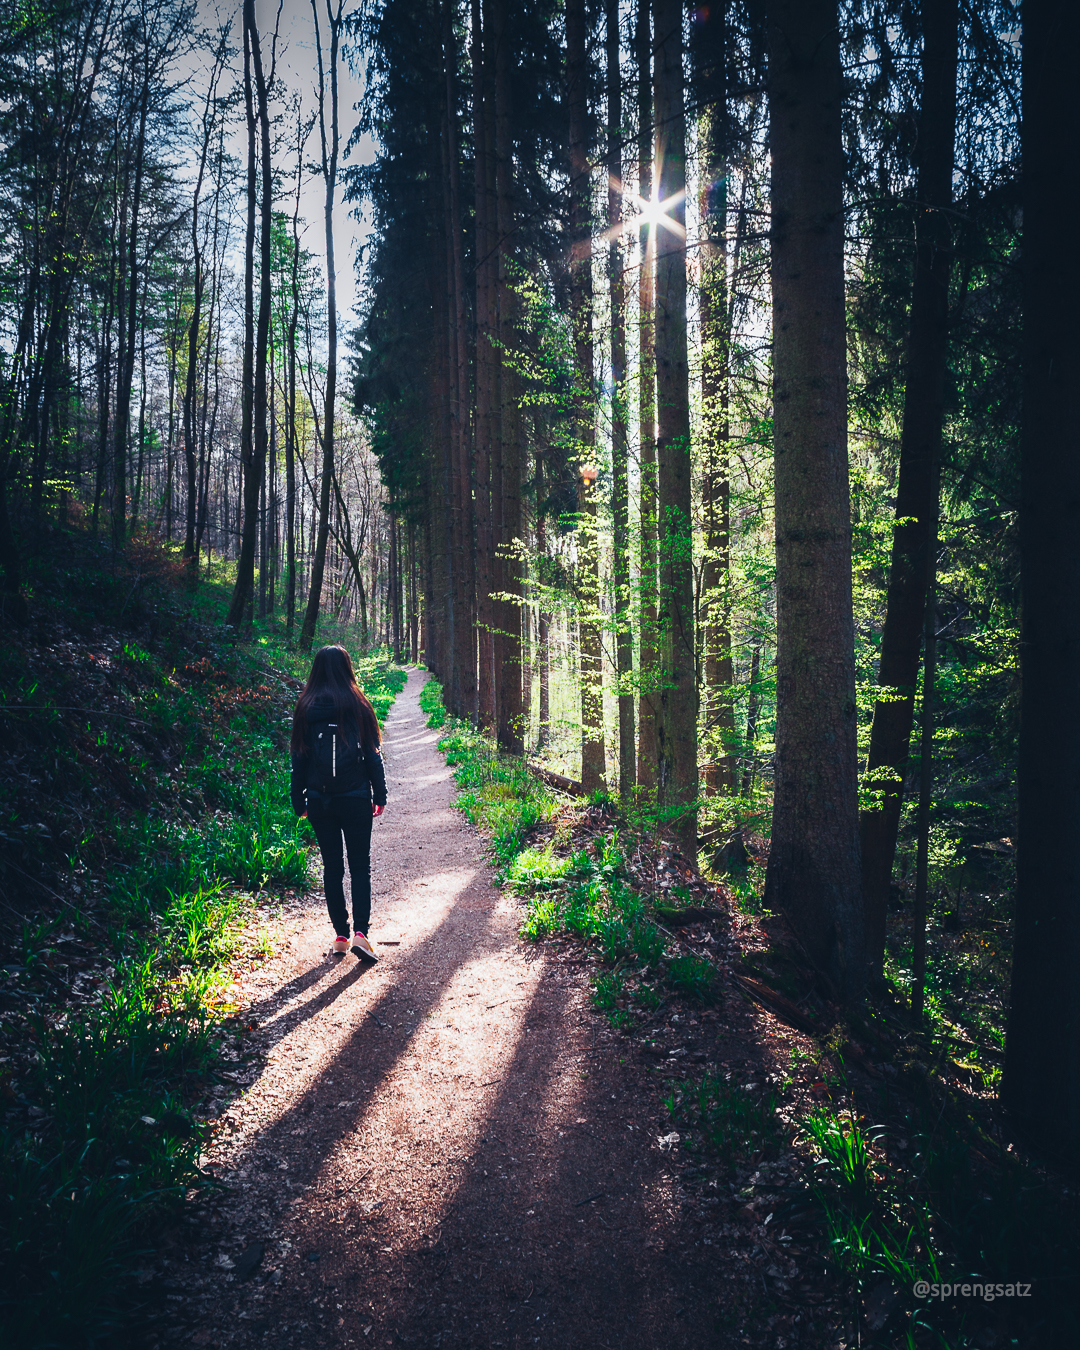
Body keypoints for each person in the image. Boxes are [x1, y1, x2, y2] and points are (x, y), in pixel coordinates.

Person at [290, 645, 386, 961]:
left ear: (315, 670)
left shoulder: (305, 708)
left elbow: (299, 759)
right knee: (360, 866)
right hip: (356, 797)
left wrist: (298, 800)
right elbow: (372, 754)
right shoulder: (359, 705)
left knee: (332, 868)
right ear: (347, 669)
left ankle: (341, 937)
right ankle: (361, 934)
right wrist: (380, 794)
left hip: (320, 800)